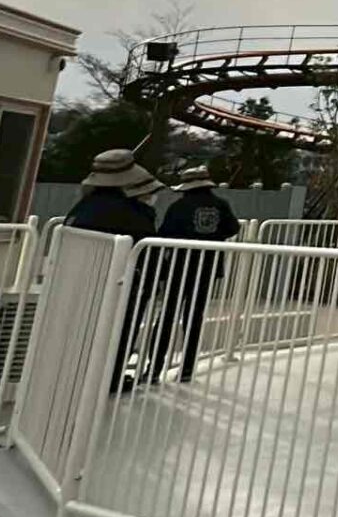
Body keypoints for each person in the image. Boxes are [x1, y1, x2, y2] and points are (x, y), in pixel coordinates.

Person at [66, 149, 161, 392]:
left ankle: (77, 374)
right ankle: (112, 377)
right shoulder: (132, 213)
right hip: (121, 284)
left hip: (78, 281)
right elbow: (147, 249)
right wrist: (153, 282)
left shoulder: (82, 207)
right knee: (120, 331)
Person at [146, 165, 239, 384]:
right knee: (194, 317)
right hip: (207, 267)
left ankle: (154, 368)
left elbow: (165, 234)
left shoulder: (179, 207)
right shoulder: (221, 205)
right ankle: (187, 368)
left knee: (167, 316)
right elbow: (233, 228)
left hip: (179, 266)